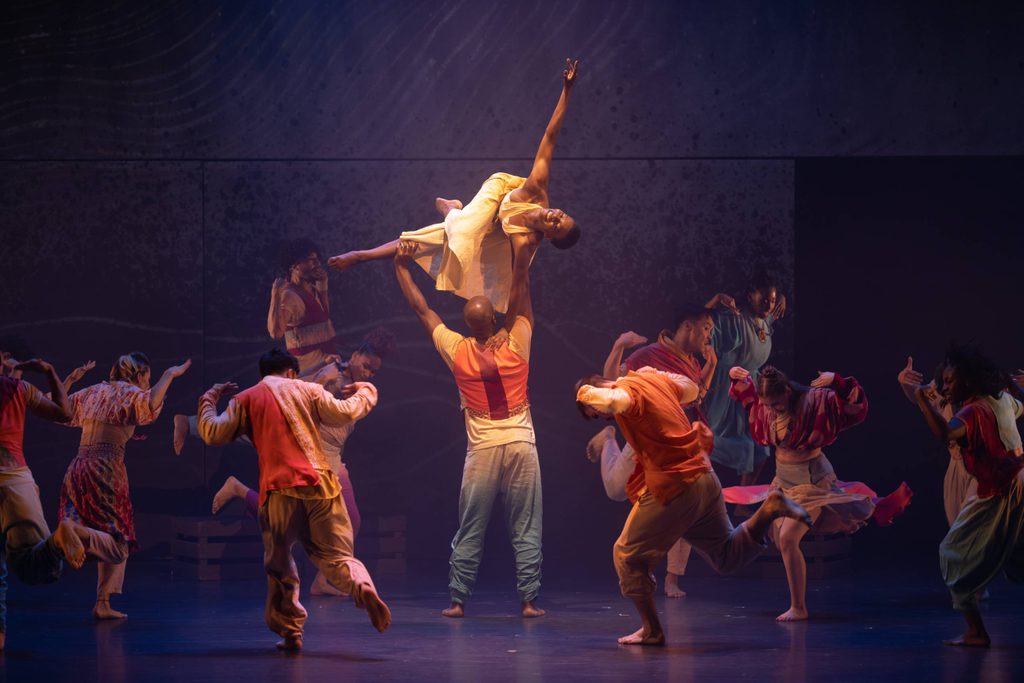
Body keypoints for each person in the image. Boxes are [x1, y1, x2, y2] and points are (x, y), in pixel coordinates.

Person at [575, 367, 811, 646]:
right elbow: (691, 389)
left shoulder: (627, 392)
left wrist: (585, 393)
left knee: (626, 555)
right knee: (726, 555)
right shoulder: (655, 380)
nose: (603, 416)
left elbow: (616, 400)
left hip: (675, 487)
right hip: (704, 477)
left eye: (597, 413)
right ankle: (769, 508)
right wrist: (658, 374)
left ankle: (652, 630)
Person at [328, 59, 581, 314]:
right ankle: (450, 210)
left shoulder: (525, 242)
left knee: (447, 242)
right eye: (563, 215)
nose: (556, 216)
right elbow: (550, 138)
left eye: (557, 225)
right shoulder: (536, 190)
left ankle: (364, 255)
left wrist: (510, 327)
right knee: (461, 231)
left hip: (500, 229)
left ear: (549, 236)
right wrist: (567, 90)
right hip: (500, 191)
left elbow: (519, 284)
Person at [393, 229, 544, 618]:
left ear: (466, 323)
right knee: (526, 524)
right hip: (521, 444)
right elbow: (522, 292)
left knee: (471, 525)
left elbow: (422, 310)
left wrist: (401, 268)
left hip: (483, 451)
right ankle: (529, 602)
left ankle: (458, 601)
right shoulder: (516, 342)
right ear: (493, 318)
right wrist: (522, 251)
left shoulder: (456, 349)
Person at [197, 348, 390, 651]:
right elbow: (346, 411)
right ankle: (361, 584)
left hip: (279, 490)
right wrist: (366, 390)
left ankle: (291, 633)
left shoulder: (247, 398)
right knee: (337, 556)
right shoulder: (309, 390)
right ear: (290, 372)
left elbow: (212, 432)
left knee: (280, 564)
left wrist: (209, 398)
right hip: (321, 484)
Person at [727, 365, 912, 621]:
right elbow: (748, 398)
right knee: (780, 540)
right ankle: (799, 601)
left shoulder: (813, 402)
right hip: (783, 483)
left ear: (788, 392)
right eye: (767, 405)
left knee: (788, 539)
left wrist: (837, 381)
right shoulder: (766, 407)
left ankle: (798, 607)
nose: (772, 410)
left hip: (812, 483)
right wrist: (735, 374)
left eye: (777, 404)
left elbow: (855, 406)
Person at [590, 305, 719, 598]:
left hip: (678, 442)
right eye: (706, 328)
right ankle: (608, 438)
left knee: (685, 503)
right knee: (615, 490)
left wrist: (711, 365)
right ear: (687, 326)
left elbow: (697, 395)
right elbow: (612, 382)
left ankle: (672, 579)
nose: (709, 335)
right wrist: (619, 346)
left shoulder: (692, 362)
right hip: (650, 438)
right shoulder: (648, 356)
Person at [174, 238, 339, 454]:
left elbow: (323, 318)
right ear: (295, 265)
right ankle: (192, 424)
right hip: (305, 371)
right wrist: (275, 296)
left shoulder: (311, 289)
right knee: (269, 426)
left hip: (321, 366)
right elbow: (275, 332)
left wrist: (324, 287)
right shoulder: (289, 295)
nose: (317, 264)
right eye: (310, 260)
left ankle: (193, 425)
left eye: (317, 259)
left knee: (299, 430)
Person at [59, 352, 192, 619]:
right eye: (148, 377)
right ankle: (75, 531)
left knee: (107, 533)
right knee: (119, 544)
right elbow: (150, 402)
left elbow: (57, 407)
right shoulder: (129, 393)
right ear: (139, 375)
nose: (147, 383)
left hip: (78, 468)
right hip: (106, 469)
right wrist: (169, 375)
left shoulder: (94, 391)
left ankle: (102, 602)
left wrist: (70, 380)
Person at [0, 353, 117, 650]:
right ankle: (59, 537)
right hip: (15, 480)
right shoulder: (19, 389)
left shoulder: (18, 388)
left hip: (16, 479)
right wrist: (50, 371)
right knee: (38, 565)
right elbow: (64, 413)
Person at [914, 345, 1024, 647]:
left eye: (951, 381)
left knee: (952, 552)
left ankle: (976, 632)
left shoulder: (973, 411)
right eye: (944, 381)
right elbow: (1020, 405)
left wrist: (923, 401)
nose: (946, 387)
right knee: (1015, 552)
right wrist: (1014, 386)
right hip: (1017, 480)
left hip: (1000, 488)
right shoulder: (1002, 400)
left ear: (968, 380)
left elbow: (945, 434)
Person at [703, 278, 787, 485]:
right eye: (763, 300)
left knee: (760, 446)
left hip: (752, 387)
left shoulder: (763, 319)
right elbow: (701, 320)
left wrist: (782, 298)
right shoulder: (735, 318)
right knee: (719, 439)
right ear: (751, 297)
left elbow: (772, 310)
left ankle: (744, 493)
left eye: (771, 301)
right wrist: (716, 299)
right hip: (728, 387)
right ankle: (707, 491)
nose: (768, 306)